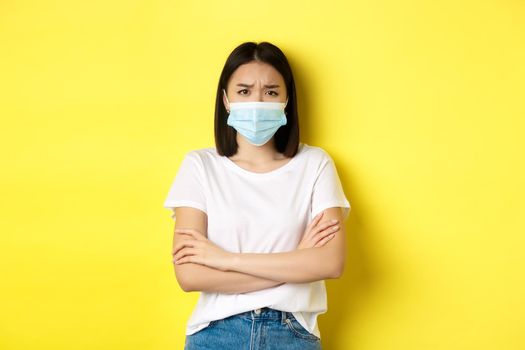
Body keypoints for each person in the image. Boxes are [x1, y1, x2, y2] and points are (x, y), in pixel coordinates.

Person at [164, 41, 351, 350]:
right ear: (226, 99)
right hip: (215, 334)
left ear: (287, 99)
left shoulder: (315, 164)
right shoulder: (199, 166)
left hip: (293, 333)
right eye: (244, 90)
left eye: (271, 92)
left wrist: (225, 260)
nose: (257, 101)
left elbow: (330, 263)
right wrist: (295, 263)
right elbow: (189, 275)